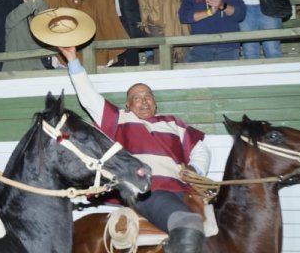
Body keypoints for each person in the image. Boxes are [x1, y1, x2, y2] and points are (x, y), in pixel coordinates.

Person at [59, 45, 211, 253]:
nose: (144, 101)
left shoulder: (174, 123)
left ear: (155, 104)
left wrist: (195, 170)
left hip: (184, 189)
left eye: (148, 96)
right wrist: (72, 60)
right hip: (148, 190)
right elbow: (89, 97)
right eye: (137, 98)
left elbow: (201, 150)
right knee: (188, 224)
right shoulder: (119, 119)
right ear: (128, 105)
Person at [3, 0, 49, 72]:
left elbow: (45, 21)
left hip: (37, 71)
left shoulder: (41, 9)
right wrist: (33, 3)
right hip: (13, 72)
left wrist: (38, 1)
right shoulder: (11, 7)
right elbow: (11, 20)